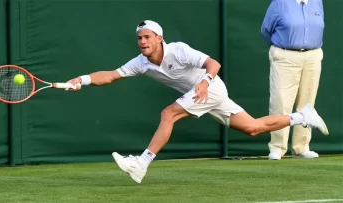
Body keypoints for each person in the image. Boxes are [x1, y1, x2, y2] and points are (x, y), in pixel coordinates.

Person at [66, 20, 328, 183]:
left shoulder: (178, 50)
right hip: (206, 95)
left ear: (159, 38)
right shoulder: (141, 63)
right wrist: (83, 79)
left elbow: (213, 63)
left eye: (147, 37)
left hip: (210, 88)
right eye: (139, 38)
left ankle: (141, 163)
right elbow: (111, 75)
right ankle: (303, 116)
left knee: (168, 114)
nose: (143, 42)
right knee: (253, 127)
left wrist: (204, 81)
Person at [261, 0, 326, 160]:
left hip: (312, 56)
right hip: (285, 55)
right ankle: (277, 148)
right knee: (281, 101)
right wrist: (284, 48)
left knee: (308, 102)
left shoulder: (317, 2)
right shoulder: (280, 3)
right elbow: (266, 31)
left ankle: (301, 147)